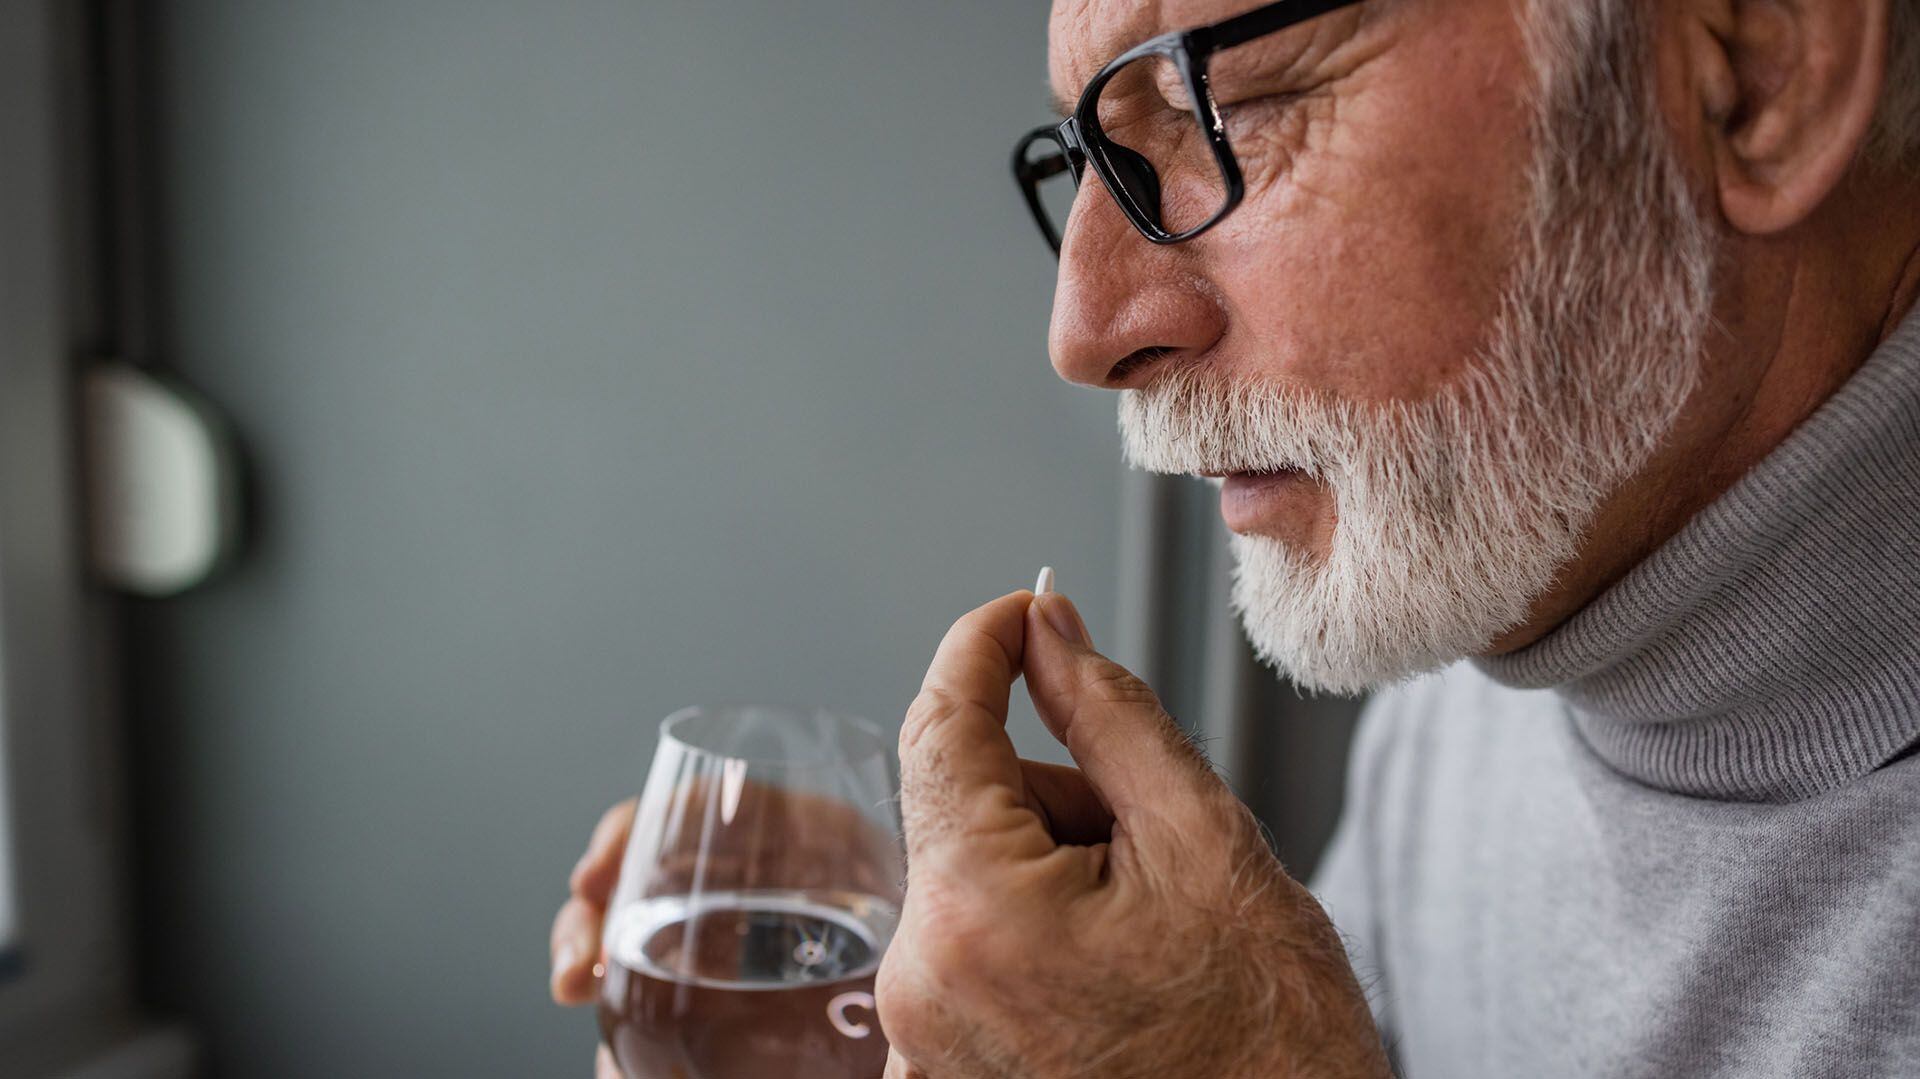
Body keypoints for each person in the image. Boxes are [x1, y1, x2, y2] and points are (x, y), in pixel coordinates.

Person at [552, 0, 1920, 1073]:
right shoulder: (1505, 607)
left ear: (1755, 67)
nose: (1084, 332)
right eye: (1089, 155)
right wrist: (969, 985)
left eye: (1226, 105)